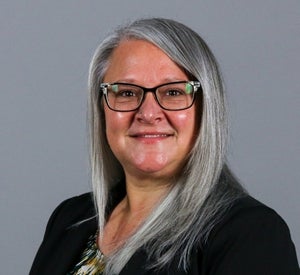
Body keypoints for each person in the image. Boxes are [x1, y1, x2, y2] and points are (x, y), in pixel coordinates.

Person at [30, 18, 299, 275]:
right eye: (126, 92)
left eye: (173, 92)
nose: (148, 113)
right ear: (101, 109)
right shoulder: (69, 219)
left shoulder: (250, 234)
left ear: (207, 109)